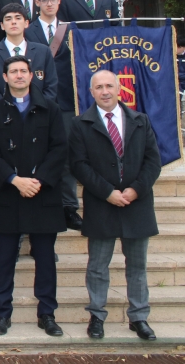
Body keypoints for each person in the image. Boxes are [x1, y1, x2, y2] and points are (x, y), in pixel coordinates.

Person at [0, 55, 68, 337]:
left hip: (43, 195)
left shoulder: (50, 109)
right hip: (10, 193)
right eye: (13, 71)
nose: (18, 75)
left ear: (32, 76)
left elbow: (60, 149)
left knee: (44, 260)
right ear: (4, 77)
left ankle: (47, 314)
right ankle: (2, 314)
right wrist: (15, 180)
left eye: (23, 71)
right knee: (4, 259)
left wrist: (37, 181)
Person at [69, 70, 162, 341]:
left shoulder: (140, 121)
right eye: (99, 87)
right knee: (98, 265)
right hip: (102, 204)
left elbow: (153, 161)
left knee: (137, 265)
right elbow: (78, 165)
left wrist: (135, 190)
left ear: (120, 89)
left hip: (137, 203)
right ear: (91, 92)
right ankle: (97, 316)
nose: (105, 91)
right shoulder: (80, 124)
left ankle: (139, 317)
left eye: (110, 86)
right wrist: (107, 192)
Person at [25, 0, 82, 230]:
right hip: (36, 101)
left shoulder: (73, 30)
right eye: (43, 0)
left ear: (59, 1)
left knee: (66, 154)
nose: (49, 4)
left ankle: (69, 207)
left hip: (67, 100)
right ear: (36, 3)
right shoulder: (27, 30)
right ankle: (39, 204)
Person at [0, 3, 57, 103]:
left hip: (39, 113)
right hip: (3, 114)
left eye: (18, 18)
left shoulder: (43, 51)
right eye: (8, 19)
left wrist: (37, 108)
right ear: (2, 26)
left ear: (26, 23)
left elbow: (51, 86)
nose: (13, 22)